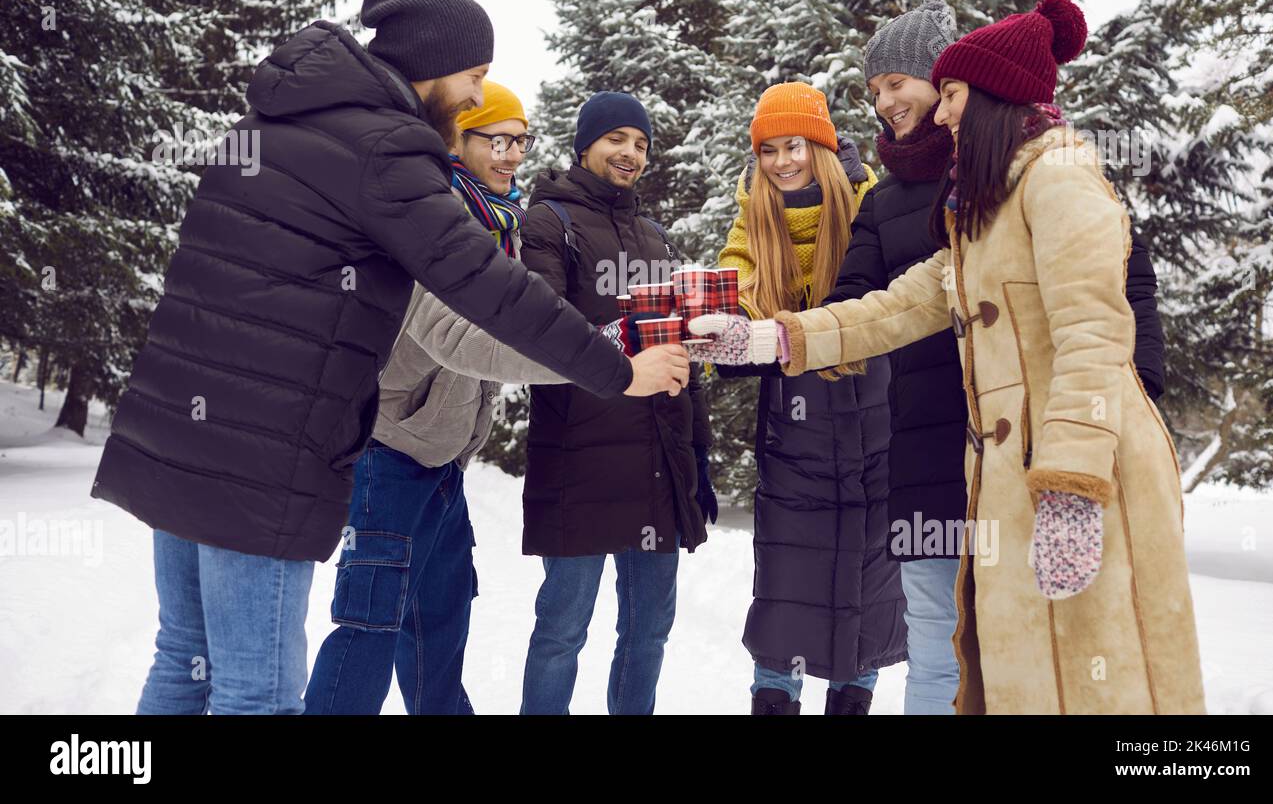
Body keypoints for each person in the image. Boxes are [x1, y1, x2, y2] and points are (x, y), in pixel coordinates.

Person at [96, 0, 689, 715]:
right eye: (473, 79)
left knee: (186, 660)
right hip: (262, 451)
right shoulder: (389, 150)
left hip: (176, 429)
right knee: (258, 692)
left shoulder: (270, 127)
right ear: (434, 65)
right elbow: (486, 294)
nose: (477, 98)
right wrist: (617, 369)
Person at [688, 0, 1206, 714]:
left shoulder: (1057, 177)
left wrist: (1074, 480)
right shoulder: (975, 212)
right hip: (974, 467)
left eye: (948, 92)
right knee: (994, 666)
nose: (938, 112)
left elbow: (1098, 328)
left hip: (1072, 474)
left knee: (1100, 677)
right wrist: (769, 337)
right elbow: (888, 307)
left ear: (989, 95)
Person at [825, 0, 1169, 713]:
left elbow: (1118, 288)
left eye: (901, 82)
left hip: (1038, 450)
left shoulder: (1035, 173)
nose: (888, 101)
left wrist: (1121, 403)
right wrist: (786, 341)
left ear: (952, 89)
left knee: (1041, 657)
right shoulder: (886, 200)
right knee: (938, 649)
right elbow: (864, 302)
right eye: (875, 89)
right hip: (928, 452)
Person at [306, 82, 575, 714]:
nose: (513, 156)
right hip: (389, 453)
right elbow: (461, 340)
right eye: (497, 140)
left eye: (521, 141)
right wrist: (596, 364)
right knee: (369, 625)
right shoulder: (428, 219)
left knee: (439, 623)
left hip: (443, 459)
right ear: (458, 139)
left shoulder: (497, 228)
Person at [711, 82, 905, 715]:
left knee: (870, 582)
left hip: (876, 422)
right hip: (795, 435)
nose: (781, 162)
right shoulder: (754, 216)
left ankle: (853, 698)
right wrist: (727, 325)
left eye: (793, 145)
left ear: (819, 146)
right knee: (788, 584)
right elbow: (735, 281)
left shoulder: (871, 206)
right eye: (767, 150)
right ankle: (776, 700)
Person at [518, 91, 713, 715]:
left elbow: (677, 348)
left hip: (657, 460)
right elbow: (543, 331)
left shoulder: (654, 236)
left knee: (647, 631)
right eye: (617, 139)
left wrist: (698, 458)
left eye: (641, 144)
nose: (630, 153)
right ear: (585, 145)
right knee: (561, 633)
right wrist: (626, 353)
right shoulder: (550, 222)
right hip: (581, 459)